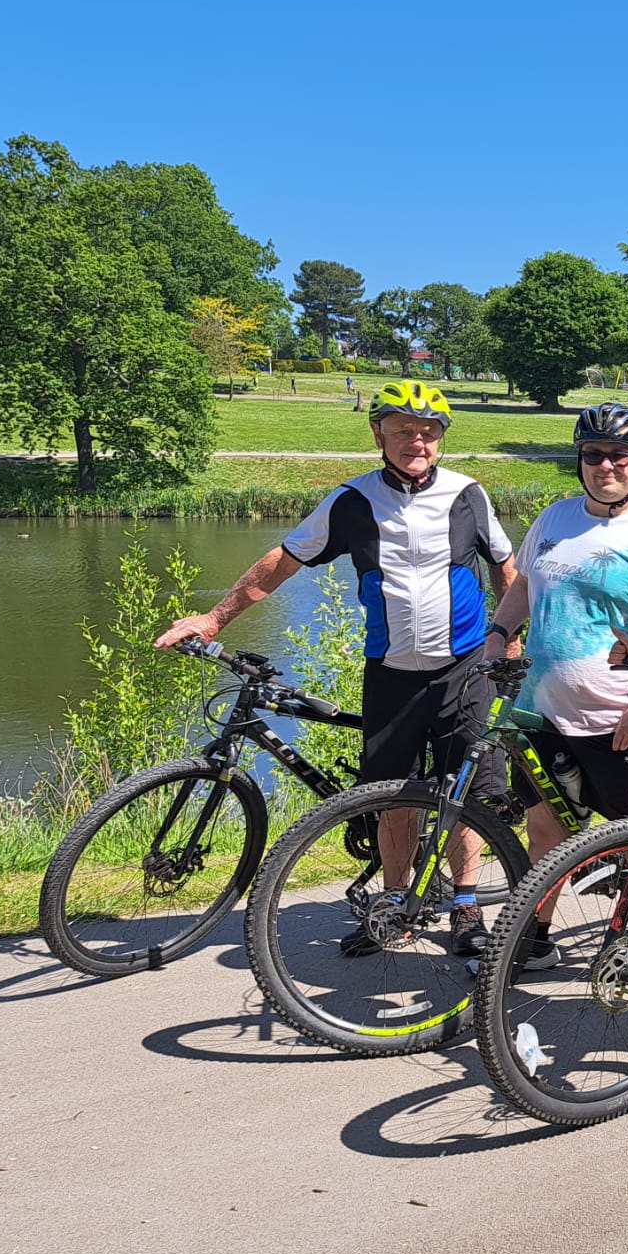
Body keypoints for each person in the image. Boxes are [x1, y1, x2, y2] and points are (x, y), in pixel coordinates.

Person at [155, 380, 517, 951]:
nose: (416, 442)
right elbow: (284, 560)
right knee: (394, 797)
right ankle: (396, 904)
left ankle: (467, 907)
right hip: (392, 669)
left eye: (427, 433)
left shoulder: (467, 494)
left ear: (441, 440)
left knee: (462, 792)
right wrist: (214, 619)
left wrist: (509, 641)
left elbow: (505, 564)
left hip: (465, 665)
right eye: (403, 431)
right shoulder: (352, 500)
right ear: (379, 433)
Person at [478, 402, 628, 980]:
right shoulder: (554, 517)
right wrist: (499, 633)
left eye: (619, 456)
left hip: (619, 714)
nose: (605, 466)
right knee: (545, 828)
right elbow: (521, 586)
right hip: (544, 711)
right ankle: (537, 936)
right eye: (593, 455)